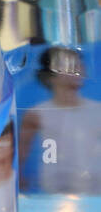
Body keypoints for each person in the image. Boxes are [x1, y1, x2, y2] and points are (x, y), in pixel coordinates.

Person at [19, 46, 101, 194]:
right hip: (57, 190)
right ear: (49, 76)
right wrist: (19, 182)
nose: (76, 70)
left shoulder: (97, 110)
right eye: (67, 66)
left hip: (97, 187)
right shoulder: (37, 113)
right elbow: (22, 154)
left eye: (78, 64)